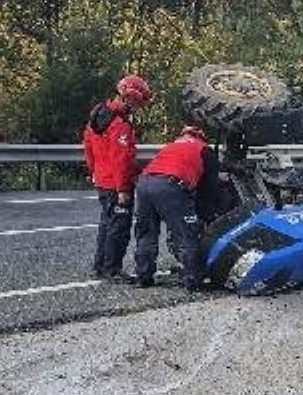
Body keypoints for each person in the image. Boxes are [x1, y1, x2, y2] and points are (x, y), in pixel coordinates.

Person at [133, 121, 221, 290]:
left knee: (146, 233)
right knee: (186, 235)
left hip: (144, 183)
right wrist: (205, 214)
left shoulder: (172, 145)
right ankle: (193, 280)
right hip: (170, 186)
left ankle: (143, 276)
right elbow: (209, 188)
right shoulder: (204, 149)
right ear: (202, 137)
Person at [83, 74, 153, 280]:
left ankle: (100, 266)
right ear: (130, 98)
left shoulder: (98, 116)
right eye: (138, 102)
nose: (138, 107)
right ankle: (112, 269)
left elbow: (88, 147)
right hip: (116, 184)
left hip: (102, 180)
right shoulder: (120, 124)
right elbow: (121, 159)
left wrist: (94, 171)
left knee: (106, 224)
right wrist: (123, 189)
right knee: (119, 228)